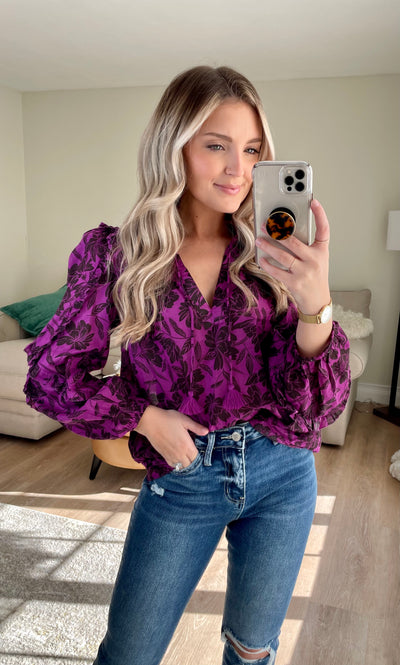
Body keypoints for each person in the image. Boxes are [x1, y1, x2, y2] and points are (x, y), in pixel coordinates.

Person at [24, 65, 351, 665]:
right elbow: (50, 374)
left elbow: (317, 406)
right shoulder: (117, 253)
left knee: (253, 651)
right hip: (183, 475)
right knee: (129, 653)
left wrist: (317, 303)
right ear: (172, 147)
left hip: (283, 473)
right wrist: (144, 417)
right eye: (217, 146)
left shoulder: (272, 253)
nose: (238, 169)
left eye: (252, 150)